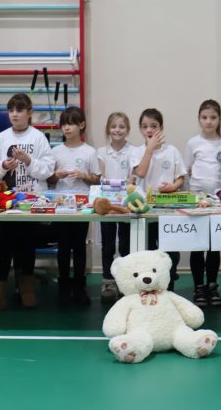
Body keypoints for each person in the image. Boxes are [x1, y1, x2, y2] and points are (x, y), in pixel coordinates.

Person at [0, 93, 55, 313]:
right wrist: (3, 166)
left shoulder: (38, 138)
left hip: (32, 201)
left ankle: (25, 287)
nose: (15, 114)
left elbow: (48, 170)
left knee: (27, 239)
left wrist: (28, 161)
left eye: (19, 110)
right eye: (11, 110)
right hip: (7, 202)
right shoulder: (1, 138)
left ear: (29, 113)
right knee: (8, 238)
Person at [48, 107, 100, 306]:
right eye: (64, 124)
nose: (66, 128)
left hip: (82, 206)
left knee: (79, 245)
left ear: (81, 125)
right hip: (60, 204)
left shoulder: (90, 152)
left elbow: (97, 179)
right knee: (63, 246)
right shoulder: (55, 151)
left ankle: (79, 286)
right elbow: (48, 179)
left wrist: (84, 176)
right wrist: (56, 175)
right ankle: (63, 286)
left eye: (71, 123)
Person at [130, 108, 186, 291]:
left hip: (168, 210)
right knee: (147, 252)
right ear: (140, 129)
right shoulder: (137, 151)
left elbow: (181, 177)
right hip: (145, 210)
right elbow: (141, 172)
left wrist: (173, 186)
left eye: (153, 126)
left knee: (169, 253)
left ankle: (169, 287)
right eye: (144, 126)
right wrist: (149, 149)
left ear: (161, 128)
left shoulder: (172, 151)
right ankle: (148, 289)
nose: (149, 130)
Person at [184, 99, 221, 306]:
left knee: (213, 245)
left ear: (220, 119)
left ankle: (212, 285)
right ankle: (198, 286)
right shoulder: (193, 143)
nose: (209, 121)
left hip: (218, 201)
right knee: (197, 244)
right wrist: (188, 198)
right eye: (204, 117)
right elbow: (186, 171)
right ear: (199, 119)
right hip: (197, 200)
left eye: (213, 117)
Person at [97, 112, 134, 302]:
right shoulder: (102, 152)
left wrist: (128, 185)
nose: (117, 130)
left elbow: (133, 178)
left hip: (126, 205)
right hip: (108, 205)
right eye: (113, 126)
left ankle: (126, 280)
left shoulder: (133, 151)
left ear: (127, 130)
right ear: (108, 129)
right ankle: (108, 281)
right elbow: (102, 178)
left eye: (121, 126)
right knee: (108, 245)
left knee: (126, 244)